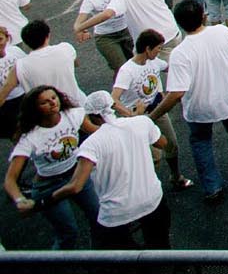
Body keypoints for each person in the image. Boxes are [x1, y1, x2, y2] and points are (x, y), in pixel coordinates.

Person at [148, 0, 228, 204]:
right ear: (203, 16)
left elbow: (176, 93)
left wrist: (153, 115)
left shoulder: (180, 53)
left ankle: (212, 186)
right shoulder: (222, 32)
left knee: (201, 142)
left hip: (199, 107)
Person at [44, 90, 170, 248]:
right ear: (113, 107)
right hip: (152, 199)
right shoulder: (141, 123)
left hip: (117, 212)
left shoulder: (91, 145)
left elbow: (76, 186)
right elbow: (163, 143)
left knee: (118, 254)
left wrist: (48, 199)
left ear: (92, 117)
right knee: (160, 245)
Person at [4, 85, 100, 248]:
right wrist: (19, 199)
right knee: (68, 233)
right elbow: (10, 179)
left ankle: (99, 257)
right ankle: (55, 263)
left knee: (98, 217)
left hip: (76, 175)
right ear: (35, 109)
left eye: (53, 98)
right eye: (44, 102)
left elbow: (95, 131)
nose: (52, 103)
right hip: (48, 186)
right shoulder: (30, 137)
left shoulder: (73, 115)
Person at [109, 29, 190, 191]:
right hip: (136, 116)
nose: (159, 52)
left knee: (171, 143)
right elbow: (113, 100)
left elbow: (170, 67)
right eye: (158, 48)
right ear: (147, 49)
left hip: (155, 110)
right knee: (153, 156)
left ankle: (175, 176)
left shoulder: (154, 62)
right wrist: (131, 114)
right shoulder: (127, 71)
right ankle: (144, 187)